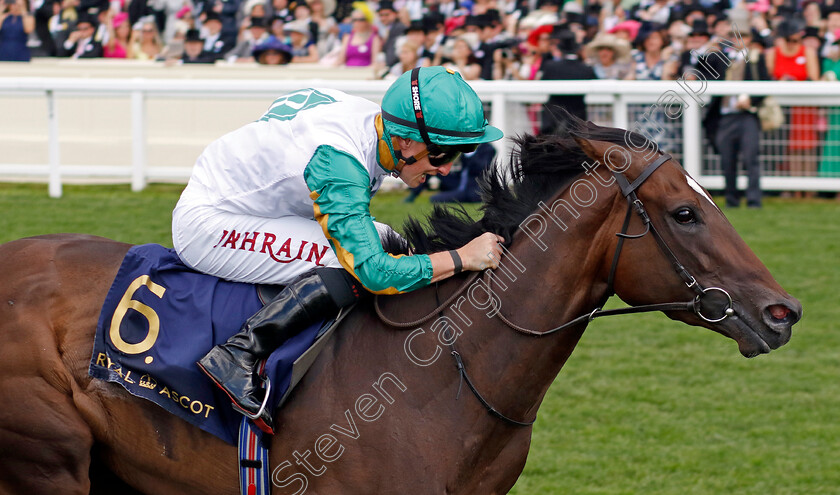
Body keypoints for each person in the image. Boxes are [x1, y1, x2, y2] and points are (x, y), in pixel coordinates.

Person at [174, 67, 504, 434]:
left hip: (252, 206)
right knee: (349, 263)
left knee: (389, 239)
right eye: (441, 155)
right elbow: (373, 272)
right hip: (209, 224)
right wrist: (462, 258)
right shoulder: (339, 160)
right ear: (406, 143)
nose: (445, 169)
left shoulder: (372, 123)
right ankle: (239, 353)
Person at [703, 28, 770, 208]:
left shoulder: (756, 59)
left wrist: (750, 99)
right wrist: (711, 46)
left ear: (749, 39)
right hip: (725, 117)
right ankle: (732, 200)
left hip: (747, 115)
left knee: (751, 159)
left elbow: (766, 83)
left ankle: (754, 201)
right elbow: (702, 68)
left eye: (743, 35)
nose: (738, 39)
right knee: (727, 160)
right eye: (734, 36)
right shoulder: (720, 58)